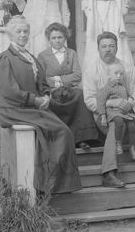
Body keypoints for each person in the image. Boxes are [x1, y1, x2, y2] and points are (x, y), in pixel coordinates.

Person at [0, 16, 81, 196]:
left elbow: (42, 82)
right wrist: (35, 100)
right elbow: (9, 90)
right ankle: (47, 185)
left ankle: (55, 184)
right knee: (60, 131)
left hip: (31, 108)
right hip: (13, 109)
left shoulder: (30, 57)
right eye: (18, 31)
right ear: (10, 34)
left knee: (64, 131)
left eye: (25, 31)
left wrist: (47, 95)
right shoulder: (5, 58)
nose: (23, 35)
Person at [82, 32, 135, 188]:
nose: (108, 49)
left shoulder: (125, 67)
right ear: (98, 49)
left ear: (117, 48)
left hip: (127, 113)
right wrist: (112, 103)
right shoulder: (91, 70)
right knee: (115, 125)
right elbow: (89, 100)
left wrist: (130, 103)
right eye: (104, 46)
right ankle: (109, 173)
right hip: (104, 116)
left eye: (111, 46)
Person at [37, 22, 99, 150]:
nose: (57, 40)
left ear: (65, 38)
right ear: (49, 39)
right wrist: (58, 82)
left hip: (70, 90)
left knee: (80, 94)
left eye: (60, 37)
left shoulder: (72, 53)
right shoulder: (42, 56)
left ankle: (82, 138)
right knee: (50, 100)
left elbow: (77, 75)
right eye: (54, 38)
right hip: (52, 91)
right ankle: (58, 139)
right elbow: (42, 79)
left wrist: (58, 79)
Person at [97, 61, 135, 161]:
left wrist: (131, 99)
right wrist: (103, 116)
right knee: (119, 121)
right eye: (116, 73)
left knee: (132, 125)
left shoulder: (123, 86)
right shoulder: (106, 88)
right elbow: (101, 102)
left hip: (124, 111)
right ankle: (118, 144)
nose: (119, 76)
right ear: (109, 75)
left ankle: (133, 148)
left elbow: (129, 95)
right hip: (113, 111)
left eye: (121, 74)